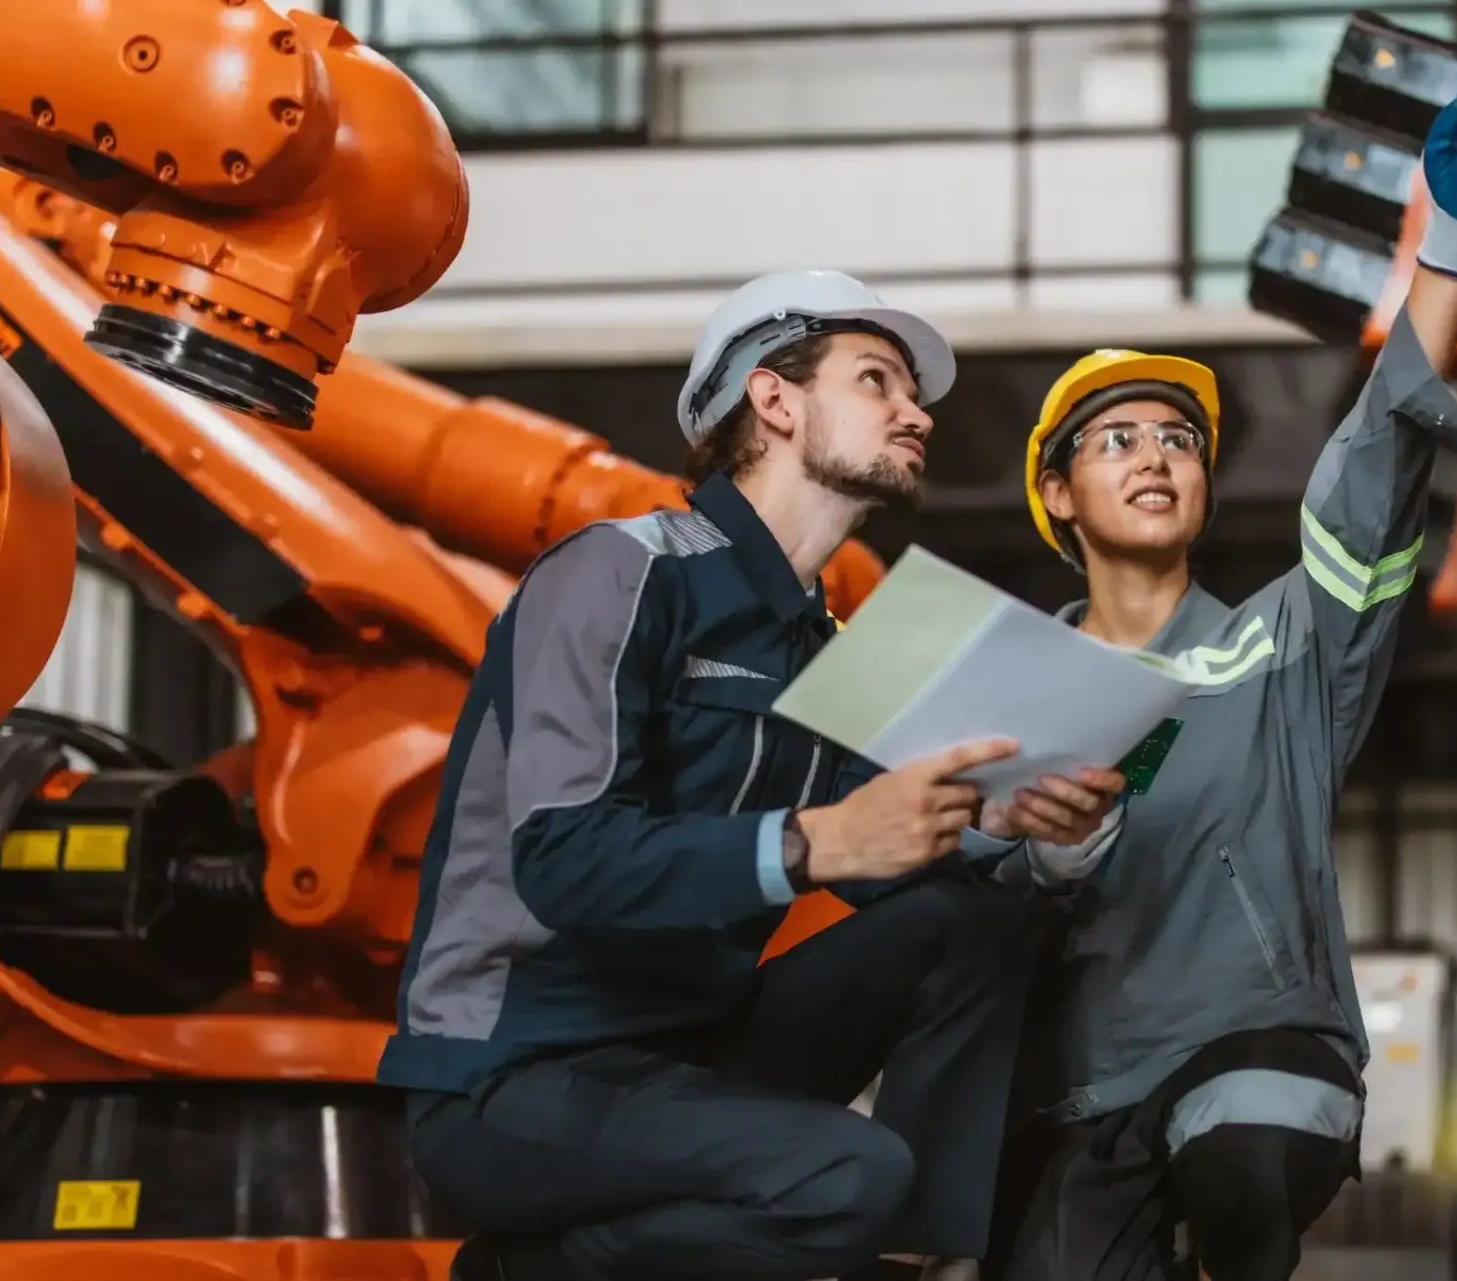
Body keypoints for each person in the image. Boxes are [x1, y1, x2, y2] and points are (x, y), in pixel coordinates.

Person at [376, 268, 1127, 1281]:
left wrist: (1017, 822)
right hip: (510, 1074)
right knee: (846, 1173)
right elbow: (560, 859)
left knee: (972, 922)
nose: (916, 414)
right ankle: (529, 1273)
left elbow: (890, 867)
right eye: (878, 381)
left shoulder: (836, 649)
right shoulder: (617, 572)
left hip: (691, 1054)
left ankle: (922, 1257)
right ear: (774, 399)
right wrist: (816, 839)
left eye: (913, 396)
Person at [987, 49, 1457, 1281]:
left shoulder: (1281, 649)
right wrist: (1043, 853)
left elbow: (1369, 466)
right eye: (1115, 440)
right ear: (1057, 494)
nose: (1155, 455)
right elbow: (940, 891)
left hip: (1263, 1051)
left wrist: (1451, 243)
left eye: (1178, 438)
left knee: (1241, 1166)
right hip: (1077, 1089)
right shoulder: (1007, 694)